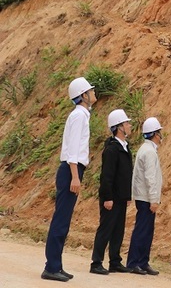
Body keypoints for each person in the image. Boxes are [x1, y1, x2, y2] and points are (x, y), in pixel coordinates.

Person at [42, 77, 96, 282]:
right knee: (61, 220)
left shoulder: (82, 115)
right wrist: (75, 176)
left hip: (71, 170)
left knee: (63, 219)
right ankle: (52, 266)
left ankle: (56, 265)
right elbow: (73, 148)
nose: (93, 93)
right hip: (70, 170)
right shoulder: (79, 116)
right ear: (83, 95)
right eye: (90, 90)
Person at [90, 109, 133, 275]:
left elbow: (125, 174)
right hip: (111, 198)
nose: (129, 125)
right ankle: (96, 262)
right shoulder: (112, 149)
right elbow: (106, 176)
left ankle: (115, 261)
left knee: (118, 230)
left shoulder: (124, 147)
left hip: (121, 198)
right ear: (119, 127)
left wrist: (127, 196)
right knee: (106, 229)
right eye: (127, 123)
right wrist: (107, 197)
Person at [126, 117, 163, 275]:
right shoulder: (149, 152)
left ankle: (143, 262)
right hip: (146, 198)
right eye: (160, 132)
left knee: (147, 230)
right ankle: (134, 262)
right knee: (142, 230)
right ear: (155, 134)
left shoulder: (147, 149)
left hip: (145, 197)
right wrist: (154, 199)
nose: (161, 136)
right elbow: (150, 178)